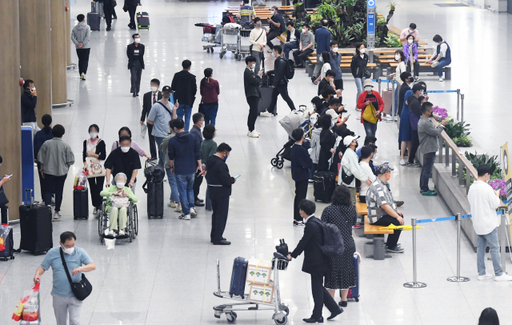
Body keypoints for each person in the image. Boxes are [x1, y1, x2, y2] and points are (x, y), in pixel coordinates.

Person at [288, 200, 343, 323]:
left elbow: (304, 242)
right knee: (319, 287)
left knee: (316, 289)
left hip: (317, 262)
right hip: (322, 260)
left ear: (302, 211)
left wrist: (293, 255)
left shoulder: (311, 225)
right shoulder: (316, 221)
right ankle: (334, 309)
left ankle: (317, 315)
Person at [33, 231, 96, 325]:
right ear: (61, 243)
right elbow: (42, 267)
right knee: (60, 322)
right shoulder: (52, 253)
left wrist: (80, 268)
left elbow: (92, 265)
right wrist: (37, 274)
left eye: (73, 245)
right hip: (58, 295)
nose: (71, 248)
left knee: (75, 321)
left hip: (75, 294)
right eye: (67, 246)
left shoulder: (80, 252)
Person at [469, 164, 512, 282]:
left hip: (477, 222)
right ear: (486, 175)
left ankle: (481, 273)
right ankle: (498, 273)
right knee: (494, 248)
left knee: (481, 248)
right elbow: (495, 204)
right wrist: (497, 195)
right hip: (488, 222)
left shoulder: (472, 187)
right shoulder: (487, 188)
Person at [321, 186, 357, 307]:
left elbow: (323, 227)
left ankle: (331, 301)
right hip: (348, 244)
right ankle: (344, 299)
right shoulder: (352, 209)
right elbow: (353, 223)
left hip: (333, 245)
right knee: (346, 270)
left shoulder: (328, 210)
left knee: (333, 272)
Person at [37, 125, 75, 222]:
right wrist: (66, 168)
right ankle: (57, 212)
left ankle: (47, 210)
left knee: (47, 190)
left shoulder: (46, 144)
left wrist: (42, 169)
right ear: (62, 134)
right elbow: (70, 160)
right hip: (61, 172)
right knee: (59, 191)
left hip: (48, 171)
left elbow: (40, 158)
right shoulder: (66, 145)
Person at [168, 118, 202, 221]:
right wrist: (199, 165)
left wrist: (172, 167)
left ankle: (186, 213)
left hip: (180, 169)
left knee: (182, 191)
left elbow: (171, 156)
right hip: (191, 168)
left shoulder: (173, 141)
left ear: (174, 128)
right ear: (184, 126)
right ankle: (191, 207)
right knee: (190, 188)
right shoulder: (193, 138)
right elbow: (197, 152)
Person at [366, 163, 404, 253]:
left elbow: (388, 201)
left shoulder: (383, 184)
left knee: (399, 216)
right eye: (389, 172)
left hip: (380, 214)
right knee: (397, 222)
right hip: (376, 217)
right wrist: (396, 216)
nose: (390, 174)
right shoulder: (378, 187)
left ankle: (391, 242)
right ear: (385, 173)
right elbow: (384, 206)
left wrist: (396, 211)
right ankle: (391, 246)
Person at [205, 143, 236, 245]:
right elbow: (225, 180)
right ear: (224, 153)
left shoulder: (209, 161)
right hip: (222, 192)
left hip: (212, 190)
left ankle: (214, 235)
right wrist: (232, 179)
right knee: (221, 215)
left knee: (215, 214)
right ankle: (218, 237)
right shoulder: (221, 164)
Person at [418, 101, 449, 196]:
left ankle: (423, 187)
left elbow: (432, 130)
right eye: (431, 110)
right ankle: (425, 189)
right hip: (429, 148)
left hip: (428, 147)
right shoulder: (425, 122)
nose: (432, 112)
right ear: (427, 112)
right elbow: (435, 133)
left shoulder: (425, 120)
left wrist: (438, 126)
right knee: (427, 169)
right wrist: (442, 125)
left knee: (425, 169)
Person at [260, 46, 296, 117]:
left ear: (276, 51)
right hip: (280, 82)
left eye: (273, 51)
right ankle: (270, 111)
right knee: (274, 96)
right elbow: (277, 71)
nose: (272, 53)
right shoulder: (280, 60)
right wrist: (269, 72)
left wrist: (274, 83)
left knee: (285, 97)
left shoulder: (280, 61)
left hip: (281, 83)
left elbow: (279, 73)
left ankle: (294, 110)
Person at [147, 85, 178, 167]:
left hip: (169, 134)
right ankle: (161, 172)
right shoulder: (156, 106)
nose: (167, 94)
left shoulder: (171, 105)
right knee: (163, 154)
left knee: (164, 155)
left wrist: (174, 110)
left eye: (168, 92)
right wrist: (158, 125)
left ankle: (160, 172)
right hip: (159, 134)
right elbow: (149, 120)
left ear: (171, 94)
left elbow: (174, 120)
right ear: (162, 93)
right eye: (165, 92)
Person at [290, 128, 313, 227]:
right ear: (303, 136)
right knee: (301, 197)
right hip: (302, 175)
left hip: (296, 174)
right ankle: (299, 218)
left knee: (298, 196)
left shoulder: (294, 148)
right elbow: (308, 163)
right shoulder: (302, 149)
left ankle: (297, 217)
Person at [82, 124, 106, 217]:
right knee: (92, 187)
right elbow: (83, 154)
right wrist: (84, 163)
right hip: (89, 168)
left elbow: (103, 156)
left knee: (99, 187)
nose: (93, 132)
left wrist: (92, 154)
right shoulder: (85, 142)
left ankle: (99, 205)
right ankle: (95, 205)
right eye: (91, 130)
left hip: (99, 168)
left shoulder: (101, 142)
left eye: (94, 131)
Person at [339, 135, 371, 204]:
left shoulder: (349, 152)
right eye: (354, 140)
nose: (355, 141)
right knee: (351, 202)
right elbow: (355, 170)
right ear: (350, 143)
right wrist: (366, 179)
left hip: (345, 182)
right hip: (349, 184)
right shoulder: (351, 154)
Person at [171, 59, 197, 131]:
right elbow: (194, 89)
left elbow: (173, 87)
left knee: (179, 116)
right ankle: (185, 131)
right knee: (187, 117)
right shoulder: (192, 77)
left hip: (179, 100)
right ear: (189, 67)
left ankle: (179, 130)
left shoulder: (177, 75)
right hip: (188, 100)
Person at [160, 120, 181, 212]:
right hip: (181, 163)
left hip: (170, 163)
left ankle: (179, 202)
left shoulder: (168, 138)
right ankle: (172, 200)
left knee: (173, 182)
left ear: (171, 128)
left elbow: (163, 148)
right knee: (177, 181)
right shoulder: (183, 137)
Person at [34, 114, 53, 201]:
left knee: (42, 180)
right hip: (52, 160)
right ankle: (51, 195)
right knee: (52, 179)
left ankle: (44, 198)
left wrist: (36, 159)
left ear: (41, 122)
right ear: (50, 122)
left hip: (41, 161)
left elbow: (36, 148)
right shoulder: (53, 133)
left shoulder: (38, 134)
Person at [406, 83, 426, 167]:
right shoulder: (415, 103)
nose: (422, 92)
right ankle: (410, 161)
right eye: (421, 90)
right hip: (417, 125)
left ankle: (411, 160)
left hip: (413, 124)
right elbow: (421, 113)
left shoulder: (411, 99)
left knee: (415, 142)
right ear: (418, 91)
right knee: (415, 143)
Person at [244, 56, 263, 138]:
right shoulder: (247, 72)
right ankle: (251, 129)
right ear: (249, 62)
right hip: (252, 95)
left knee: (252, 111)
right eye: (253, 62)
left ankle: (251, 129)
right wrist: (258, 75)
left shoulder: (250, 72)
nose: (254, 64)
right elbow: (255, 81)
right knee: (254, 112)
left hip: (254, 94)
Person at [201, 124, 217, 211]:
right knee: (211, 186)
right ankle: (210, 205)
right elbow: (212, 158)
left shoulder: (202, 143)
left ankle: (208, 205)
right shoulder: (213, 144)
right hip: (210, 168)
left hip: (203, 166)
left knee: (208, 185)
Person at [190, 113, 205, 206]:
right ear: (199, 121)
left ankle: (195, 196)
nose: (203, 121)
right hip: (195, 161)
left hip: (195, 160)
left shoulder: (196, 130)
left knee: (198, 180)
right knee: (197, 180)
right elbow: (197, 147)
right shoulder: (195, 132)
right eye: (202, 120)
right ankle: (194, 198)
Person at [71, 14, 91, 80]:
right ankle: (83, 73)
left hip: (78, 48)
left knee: (80, 60)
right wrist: (83, 43)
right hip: (86, 47)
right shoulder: (87, 27)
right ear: (83, 19)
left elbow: (72, 37)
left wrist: (77, 44)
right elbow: (88, 37)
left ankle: (80, 74)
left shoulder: (75, 28)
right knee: (85, 60)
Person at [398, 81, 414, 166]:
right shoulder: (409, 92)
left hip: (411, 117)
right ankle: (402, 158)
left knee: (410, 139)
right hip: (406, 117)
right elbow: (407, 102)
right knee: (404, 138)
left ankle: (409, 158)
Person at [388, 50, 406, 116]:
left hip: (400, 83)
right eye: (395, 54)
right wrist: (394, 74)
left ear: (401, 55)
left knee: (396, 98)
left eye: (398, 54)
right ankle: (393, 112)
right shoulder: (400, 64)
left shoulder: (402, 64)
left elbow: (403, 73)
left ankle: (393, 113)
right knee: (396, 98)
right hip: (399, 82)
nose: (396, 55)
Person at [351, 43, 369, 107]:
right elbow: (352, 67)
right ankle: (358, 105)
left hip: (364, 75)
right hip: (357, 75)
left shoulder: (366, 56)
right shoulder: (355, 57)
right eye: (361, 48)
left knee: (364, 90)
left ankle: (363, 104)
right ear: (358, 49)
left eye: (363, 47)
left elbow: (365, 65)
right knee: (360, 90)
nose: (363, 49)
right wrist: (355, 74)